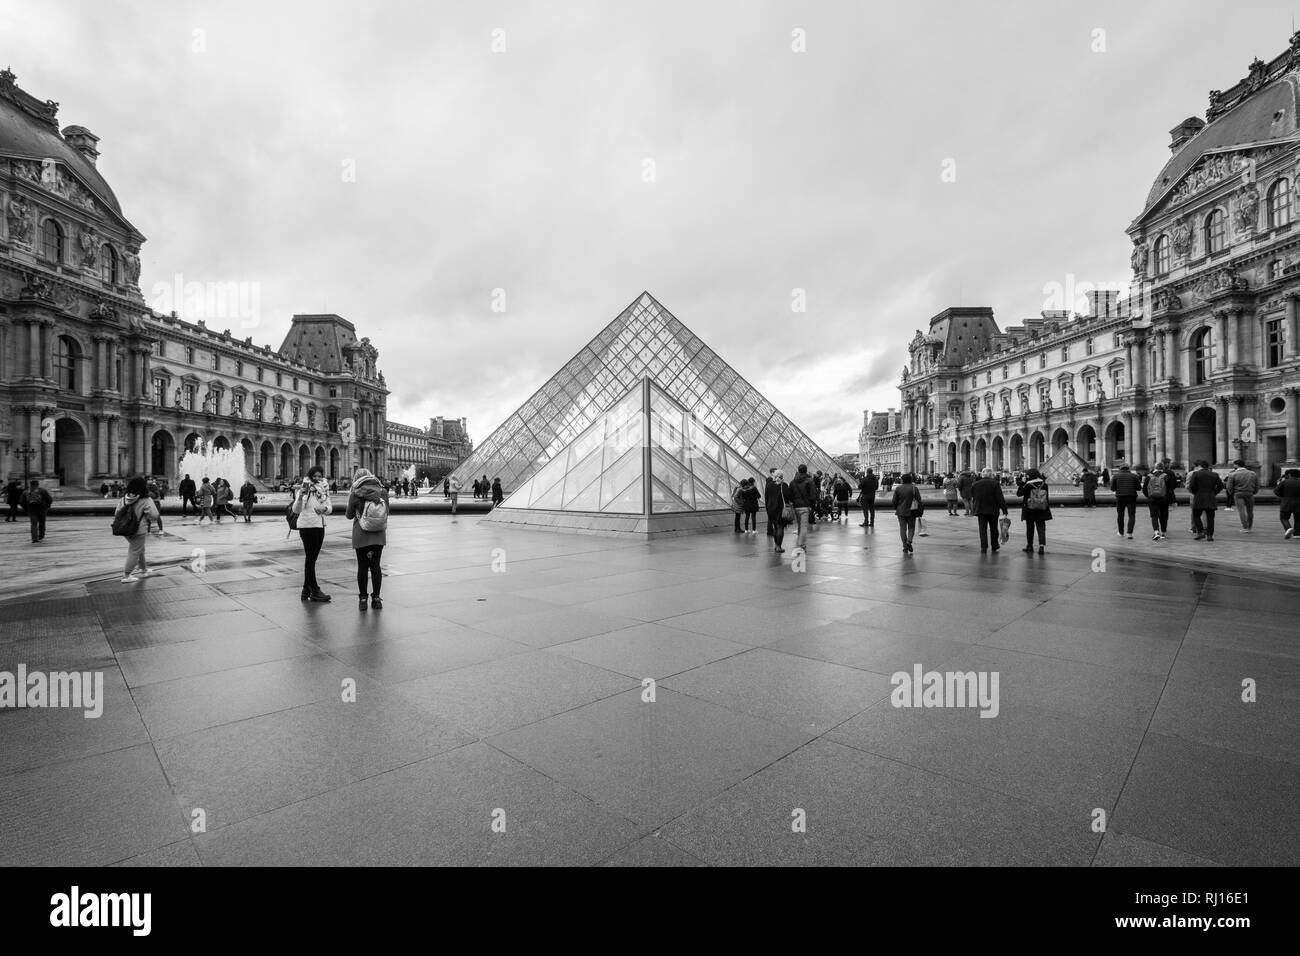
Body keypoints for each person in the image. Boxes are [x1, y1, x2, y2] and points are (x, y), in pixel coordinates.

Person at [347, 467, 390, 610]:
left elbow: (349, 515)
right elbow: (387, 511)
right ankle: (376, 599)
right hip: (378, 534)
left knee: (363, 567)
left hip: (361, 533)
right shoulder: (382, 491)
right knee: (376, 566)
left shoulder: (356, 492)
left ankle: (363, 599)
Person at [293, 465, 333, 602]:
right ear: (310, 476)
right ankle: (314, 589)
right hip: (307, 526)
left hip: (320, 525)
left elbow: (330, 508)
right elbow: (296, 510)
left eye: (319, 476)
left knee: (311, 559)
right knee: (310, 559)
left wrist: (324, 508)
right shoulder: (305, 489)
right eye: (314, 476)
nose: (317, 478)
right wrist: (300, 497)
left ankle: (306, 589)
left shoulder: (325, 488)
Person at [115, 476, 163, 583]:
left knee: (139, 549)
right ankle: (126, 575)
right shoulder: (146, 500)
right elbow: (155, 515)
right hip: (139, 530)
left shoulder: (123, 499)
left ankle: (143, 569)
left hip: (125, 529)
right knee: (135, 551)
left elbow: (117, 513)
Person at [970, 468, 1008, 553]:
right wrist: (1004, 510)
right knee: (994, 529)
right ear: (991, 475)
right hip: (993, 510)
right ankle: (994, 545)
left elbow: (973, 496)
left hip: (980, 510)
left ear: (982, 475)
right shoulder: (995, 483)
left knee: (982, 529)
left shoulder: (975, 484)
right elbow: (1000, 498)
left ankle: (984, 547)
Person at [1015, 467, 1052, 554]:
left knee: (1030, 528)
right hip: (1042, 509)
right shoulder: (1044, 485)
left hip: (1030, 509)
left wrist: (1022, 483)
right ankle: (1041, 546)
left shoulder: (1028, 485)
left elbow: (1018, 494)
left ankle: (1030, 545)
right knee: (1041, 528)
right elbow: (1047, 498)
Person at [1187, 460, 1225, 541]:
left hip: (1199, 497)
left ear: (1200, 466)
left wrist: (1196, 493)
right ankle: (1210, 535)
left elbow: (1192, 486)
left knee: (1196, 516)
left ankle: (1200, 532)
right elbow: (1221, 485)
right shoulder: (1214, 474)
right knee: (1210, 517)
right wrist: (1214, 493)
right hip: (1211, 497)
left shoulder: (1196, 474)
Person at [787, 464, 817, 551]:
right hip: (805, 506)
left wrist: (793, 502)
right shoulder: (809, 481)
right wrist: (812, 506)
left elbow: (790, 494)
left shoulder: (793, 482)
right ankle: (801, 544)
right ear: (806, 470)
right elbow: (813, 495)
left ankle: (801, 544)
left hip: (796, 506)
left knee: (800, 526)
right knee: (804, 527)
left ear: (798, 470)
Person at [891, 472, 922, 554]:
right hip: (912, 511)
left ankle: (905, 547)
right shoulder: (914, 488)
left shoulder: (898, 488)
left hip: (901, 511)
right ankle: (909, 541)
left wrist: (896, 507)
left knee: (902, 529)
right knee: (911, 528)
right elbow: (919, 500)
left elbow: (894, 501)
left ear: (902, 480)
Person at [1225, 459, 1259, 533]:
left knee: (1241, 511)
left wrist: (1232, 493)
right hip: (1250, 493)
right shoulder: (1253, 473)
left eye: (1234, 464)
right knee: (1250, 511)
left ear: (1237, 465)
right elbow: (1257, 485)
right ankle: (1249, 527)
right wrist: (1254, 492)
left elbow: (1228, 486)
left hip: (1238, 493)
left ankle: (1245, 527)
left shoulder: (1232, 474)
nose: (1233, 466)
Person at [1142, 463, 1172, 540]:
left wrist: (1149, 497)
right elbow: (1170, 489)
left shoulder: (1149, 476)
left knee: (1154, 516)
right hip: (1164, 499)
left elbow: (1144, 489)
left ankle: (1156, 532)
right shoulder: (1166, 476)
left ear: (1155, 467)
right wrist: (1170, 499)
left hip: (1152, 499)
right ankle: (1163, 533)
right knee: (1164, 516)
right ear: (1162, 468)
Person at [1110, 463, 1139, 539]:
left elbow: (1112, 488)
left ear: (1120, 468)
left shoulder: (1115, 476)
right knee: (1131, 515)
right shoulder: (1134, 476)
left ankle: (1121, 532)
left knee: (1120, 515)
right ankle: (1130, 533)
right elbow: (1139, 488)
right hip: (1131, 497)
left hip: (1120, 497)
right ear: (1128, 468)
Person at [767, 470, 790, 553]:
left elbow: (766, 498)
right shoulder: (784, 485)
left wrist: (768, 509)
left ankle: (776, 545)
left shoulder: (769, 485)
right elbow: (787, 497)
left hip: (771, 509)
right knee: (780, 527)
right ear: (782, 476)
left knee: (775, 527)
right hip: (780, 509)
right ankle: (778, 546)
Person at [1274, 468, 1300, 539]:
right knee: (1298, 519)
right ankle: (1297, 534)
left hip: (1286, 502)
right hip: (1299, 503)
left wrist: (1283, 495)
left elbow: (1276, 491)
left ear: (1290, 475)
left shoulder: (1285, 482)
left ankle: (1288, 528)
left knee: (1283, 518)